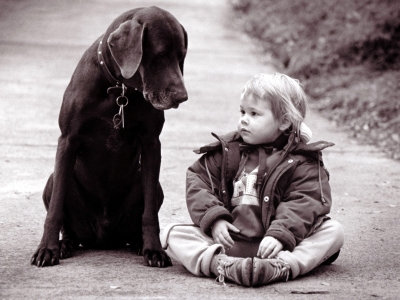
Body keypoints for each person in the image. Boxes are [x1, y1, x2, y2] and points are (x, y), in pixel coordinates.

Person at [161, 73, 344, 287]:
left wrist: (280, 234)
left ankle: (282, 266)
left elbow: (304, 202)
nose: (244, 119)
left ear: (284, 121)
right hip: (228, 241)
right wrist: (215, 220)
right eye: (242, 111)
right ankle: (220, 264)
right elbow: (199, 180)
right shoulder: (228, 151)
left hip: (278, 246)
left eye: (254, 114)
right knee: (171, 233)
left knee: (333, 232)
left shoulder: (302, 162)